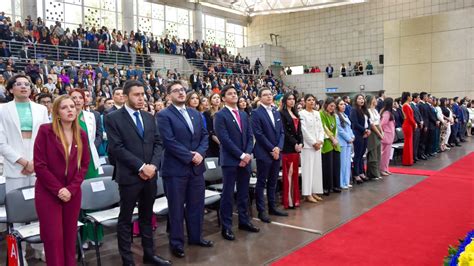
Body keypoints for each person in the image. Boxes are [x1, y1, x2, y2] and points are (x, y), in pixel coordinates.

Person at [104, 80, 171, 265]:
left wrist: (153, 166)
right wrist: (142, 167)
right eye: (136, 95)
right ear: (125, 96)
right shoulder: (112, 118)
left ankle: (150, 254)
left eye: (143, 94)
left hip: (150, 175)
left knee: (147, 217)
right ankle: (128, 260)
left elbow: (158, 143)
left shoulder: (149, 117)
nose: (141, 98)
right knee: (125, 220)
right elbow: (117, 148)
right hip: (129, 177)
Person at [157, 81, 213, 258]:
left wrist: (201, 154)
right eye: (175, 91)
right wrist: (190, 156)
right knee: (176, 208)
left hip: (196, 168)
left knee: (196, 205)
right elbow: (168, 140)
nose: (181, 93)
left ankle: (196, 237)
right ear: (168, 96)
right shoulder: (164, 115)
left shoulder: (195, 113)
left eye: (182, 90)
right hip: (175, 169)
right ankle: (176, 243)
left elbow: (204, 136)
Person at [33, 95, 90, 265]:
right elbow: (40, 165)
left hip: (72, 193)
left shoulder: (80, 133)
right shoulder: (45, 131)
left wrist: (70, 189)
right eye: (64, 107)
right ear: (56, 111)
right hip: (48, 193)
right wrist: (58, 190)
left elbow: (84, 165)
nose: (70, 110)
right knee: (54, 239)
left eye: (72, 106)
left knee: (69, 236)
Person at [0, 74, 49, 263]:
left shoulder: (41, 109)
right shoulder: (3, 110)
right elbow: (2, 142)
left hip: (38, 166)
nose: (23, 87)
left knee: (39, 209)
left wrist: (35, 162)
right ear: (11, 89)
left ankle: (40, 248)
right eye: (18, 84)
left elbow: (45, 138)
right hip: (15, 167)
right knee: (18, 212)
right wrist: (23, 162)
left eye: (26, 84)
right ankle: (19, 253)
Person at [214, 85, 259, 241]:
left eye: (235, 93)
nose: (234, 95)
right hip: (230, 161)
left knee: (243, 193)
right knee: (227, 194)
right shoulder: (220, 115)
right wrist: (241, 155)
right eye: (230, 93)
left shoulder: (243, 114)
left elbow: (249, 136)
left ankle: (244, 221)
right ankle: (226, 227)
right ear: (224, 98)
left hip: (244, 159)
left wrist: (247, 154)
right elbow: (224, 139)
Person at [69, 89, 102, 248]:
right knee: (78, 199)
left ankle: (94, 235)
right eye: (73, 98)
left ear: (84, 100)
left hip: (90, 161)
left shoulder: (91, 116)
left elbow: (95, 137)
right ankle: (81, 238)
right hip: (74, 162)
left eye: (79, 98)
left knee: (94, 198)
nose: (77, 101)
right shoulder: (66, 117)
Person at [252, 87, 287, 223]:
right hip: (264, 153)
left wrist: (279, 147)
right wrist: (272, 148)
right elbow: (258, 134)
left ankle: (272, 207)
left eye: (270, 94)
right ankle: (261, 211)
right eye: (265, 95)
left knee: (273, 181)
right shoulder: (256, 113)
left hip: (276, 152)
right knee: (261, 182)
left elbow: (281, 132)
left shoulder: (275, 111)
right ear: (260, 98)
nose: (268, 97)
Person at [279, 92, 303, 209]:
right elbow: (285, 132)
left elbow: (299, 131)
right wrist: (295, 143)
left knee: (294, 173)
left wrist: (301, 143)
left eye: (293, 99)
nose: (292, 101)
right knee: (288, 173)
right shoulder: (281, 113)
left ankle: (295, 199)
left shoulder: (295, 113)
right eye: (289, 99)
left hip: (296, 147)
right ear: (285, 101)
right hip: (288, 146)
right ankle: (288, 200)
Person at [299, 94, 324, 202]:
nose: (311, 102)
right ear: (304, 102)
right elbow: (304, 131)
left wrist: (320, 140)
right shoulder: (301, 114)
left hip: (317, 146)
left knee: (316, 170)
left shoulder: (317, 113)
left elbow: (320, 129)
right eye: (309, 100)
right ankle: (307, 193)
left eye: (313, 100)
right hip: (308, 146)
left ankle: (314, 191)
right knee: (308, 170)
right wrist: (314, 142)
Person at [320, 98, 342, 195]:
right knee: (327, 166)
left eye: (334, 106)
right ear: (326, 105)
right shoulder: (321, 114)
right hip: (326, 141)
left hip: (334, 142)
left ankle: (335, 185)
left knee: (336, 165)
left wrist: (335, 139)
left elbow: (335, 129)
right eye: (330, 106)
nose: (332, 108)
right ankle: (326, 187)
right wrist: (332, 139)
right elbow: (324, 127)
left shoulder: (334, 115)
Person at [350, 94, 370, 183]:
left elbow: (368, 121)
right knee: (357, 155)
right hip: (358, 134)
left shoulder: (365, 110)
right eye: (359, 98)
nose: (361, 100)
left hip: (365, 133)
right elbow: (355, 123)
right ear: (356, 100)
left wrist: (368, 129)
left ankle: (362, 172)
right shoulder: (354, 110)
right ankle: (356, 174)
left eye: (362, 98)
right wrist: (364, 130)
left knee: (362, 154)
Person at [335, 98, 354, 189]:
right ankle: (341, 183)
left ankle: (346, 181)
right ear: (337, 106)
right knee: (342, 164)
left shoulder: (345, 115)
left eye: (344, 104)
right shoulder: (336, 116)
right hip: (342, 142)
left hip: (348, 142)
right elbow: (340, 130)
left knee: (347, 163)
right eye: (341, 104)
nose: (343, 106)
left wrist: (352, 136)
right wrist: (348, 138)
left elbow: (349, 128)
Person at [366, 95, 383, 180]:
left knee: (378, 152)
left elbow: (379, 122)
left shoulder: (376, 111)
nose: (376, 100)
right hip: (373, 132)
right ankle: (373, 173)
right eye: (374, 99)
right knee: (373, 153)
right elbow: (372, 124)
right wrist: (379, 134)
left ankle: (377, 171)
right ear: (371, 101)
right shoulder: (368, 111)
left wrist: (381, 132)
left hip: (378, 131)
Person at [380, 98, 395, 176]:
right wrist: (384, 131)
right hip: (386, 135)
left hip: (390, 135)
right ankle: (382, 169)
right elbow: (382, 124)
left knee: (387, 154)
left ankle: (386, 168)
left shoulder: (389, 112)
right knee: (385, 154)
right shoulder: (386, 113)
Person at [203, 92, 221, 157]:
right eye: (214, 98)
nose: (217, 99)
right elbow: (209, 131)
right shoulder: (206, 113)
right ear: (210, 101)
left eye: (218, 97)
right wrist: (221, 143)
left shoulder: (224, 112)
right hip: (212, 142)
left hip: (224, 140)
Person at [401, 92, 416, 166]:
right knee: (408, 143)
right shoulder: (405, 106)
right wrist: (414, 123)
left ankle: (409, 160)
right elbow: (409, 117)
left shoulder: (408, 105)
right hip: (407, 125)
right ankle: (407, 161)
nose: (412, 98)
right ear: (407, 97)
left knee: (409, 143)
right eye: (410, 96)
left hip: (409, 125)